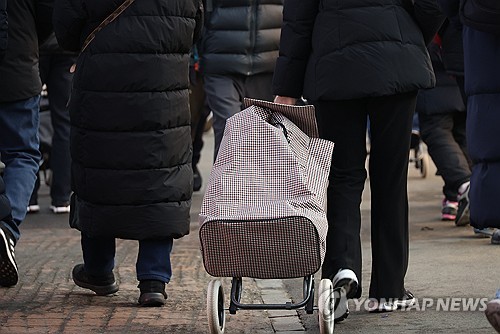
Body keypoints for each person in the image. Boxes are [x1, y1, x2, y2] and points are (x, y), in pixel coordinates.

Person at [273, 0, 445, 319]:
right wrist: (406, 36)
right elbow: (431, 6)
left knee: (342, 175)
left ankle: (341, 270)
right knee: (390, 177)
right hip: (397, 59)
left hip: (335, 67)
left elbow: (297, 20)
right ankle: (389, 289)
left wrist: (286, 88)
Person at [53, 0, 203, 306]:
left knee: (99, 172)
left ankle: (98, 269)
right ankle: (153, 279)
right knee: (160, 175)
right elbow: (196, 28)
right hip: (164, 87)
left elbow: (65, 29)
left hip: (101, 84)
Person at [0, 0, 53, 287]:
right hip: (18, 62)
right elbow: (49, 14)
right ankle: (6, 227)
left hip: (19, 60)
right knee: (22, 154)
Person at [199, 0, 283, 160]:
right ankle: (225, 184)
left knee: (261, 140)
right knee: (228, 133)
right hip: (221, 61)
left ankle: (256, 185)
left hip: (268, 63)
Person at [416, 26, 472, 224]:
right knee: (463, 133)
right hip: (463, 58)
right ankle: (456, 195)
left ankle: (464, 187)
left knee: (437, 131)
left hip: (436, 57)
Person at [28, 33, 76, 214]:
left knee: (29, 119)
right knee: (64, 122)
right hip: (64, 47)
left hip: (34, 46)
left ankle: (29, 195)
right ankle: (62, 196)